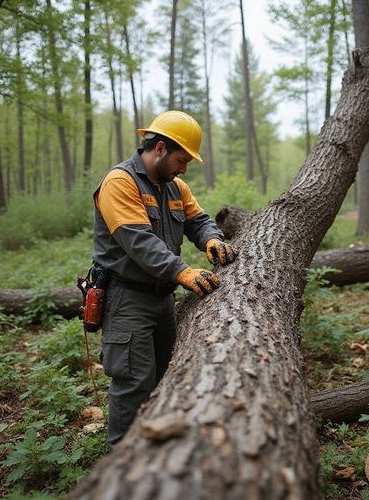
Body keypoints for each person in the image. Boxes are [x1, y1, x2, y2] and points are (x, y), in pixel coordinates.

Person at [91, 110, 237, 449]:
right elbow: (138, 242)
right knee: (133, 383)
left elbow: (198, 220)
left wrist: (212, 239)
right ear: (159, 148)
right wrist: (182, 271)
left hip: (162, 299)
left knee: (165, 377)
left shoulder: (176, 187)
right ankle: (123, 460)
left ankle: (159, 451)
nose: (183, 168)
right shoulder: (120, 182)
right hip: (127, 300)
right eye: (181, 159)